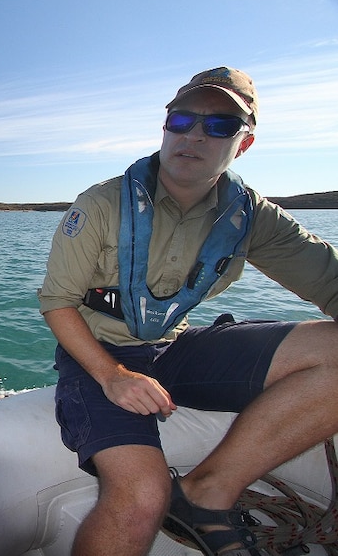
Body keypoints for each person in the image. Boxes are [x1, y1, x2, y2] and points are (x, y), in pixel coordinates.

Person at [38, 67, 338, 556]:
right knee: (140, 500)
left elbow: (330, 280)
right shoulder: (100, 203)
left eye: (219, 125)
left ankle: (205, 493)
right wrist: (113, 376)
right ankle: (171, 493)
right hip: (98, 356)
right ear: (165, 129)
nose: (194, 135)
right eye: (182, 120)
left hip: (175, 346)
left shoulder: (253, 216)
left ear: (243, 144)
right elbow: (57, 301)